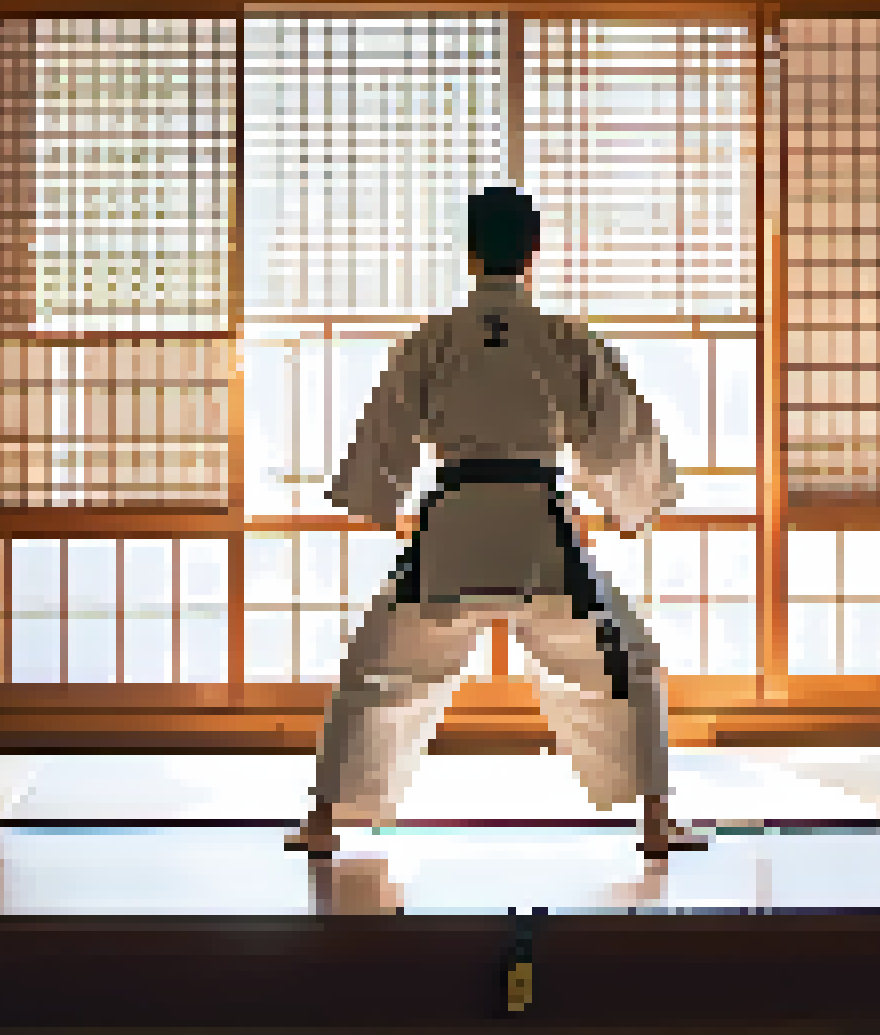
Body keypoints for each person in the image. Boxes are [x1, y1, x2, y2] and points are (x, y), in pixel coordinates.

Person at [287, 186, 708, 860]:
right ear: (532, 250)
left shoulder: (434, 338)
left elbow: (387, 432)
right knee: (626, 664)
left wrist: (384, 501)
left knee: (376, 671)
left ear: (472, 250)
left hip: (453, 524)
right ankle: (656, 821)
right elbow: (615, 430)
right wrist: (623, 505)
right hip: (540, 529)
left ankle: (323, 822)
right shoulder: (565, 338)